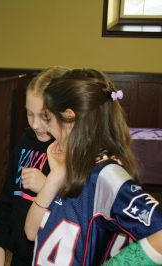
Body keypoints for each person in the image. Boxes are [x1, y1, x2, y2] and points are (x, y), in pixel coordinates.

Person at [24, 68, 162, 265]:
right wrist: (56, 176)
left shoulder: (106, 175)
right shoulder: (69, 163)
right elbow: (30, 232)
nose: (44, 127)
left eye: (48, 118)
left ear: (69, 118)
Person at [0, 67, 69, 266]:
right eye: (30, 114)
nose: (36, 125)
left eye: (45, 117)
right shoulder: (25, 142)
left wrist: (47, 187)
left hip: (56, 257)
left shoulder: (72, 152)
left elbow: (80, 208)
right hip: (21, 254)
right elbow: (7, 196)